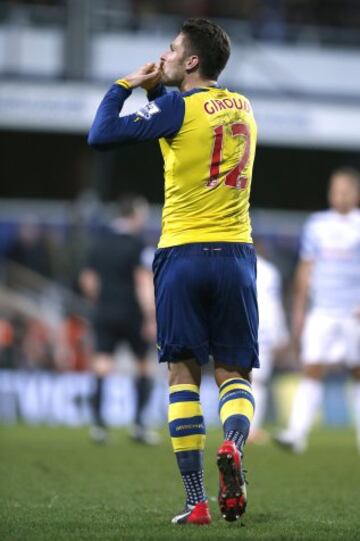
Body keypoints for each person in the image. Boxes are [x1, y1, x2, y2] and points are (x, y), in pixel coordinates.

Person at [88, 18, 258, 525]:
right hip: (236, 256)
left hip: (182, 254)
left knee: (183, 376)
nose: (161, 57)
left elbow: (101, 134)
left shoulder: (175, 106)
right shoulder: (245, 107)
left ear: (191, 61)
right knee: (234, 375)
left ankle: (196, 501)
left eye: (170, 50)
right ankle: (233, 444)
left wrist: (129, 84)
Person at [275, 168, 360, 453]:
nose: (339, 195)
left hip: (353, 311)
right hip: (322, 309)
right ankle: (296, 433)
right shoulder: (317, 224)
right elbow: (306, 267)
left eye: (345, 190)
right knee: (311, 367)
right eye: (335, 190)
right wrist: (299, 308)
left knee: (357, 372)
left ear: (356, 193)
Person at [79, 194, 158, 445]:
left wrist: (101, 302)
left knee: (102, 364)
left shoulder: (99, 243)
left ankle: (99, 427)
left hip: (104, 311)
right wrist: (150, 317)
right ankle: (139, 425)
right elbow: (143, 282)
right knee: (143, 365)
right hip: (132, 313)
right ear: (135, 214)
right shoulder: (138, 245)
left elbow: (88, 281)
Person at [249, 245, 289, 443]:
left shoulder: (232, 265)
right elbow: (273, 304)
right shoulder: (270, 271)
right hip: (262, 329)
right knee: (258, 382)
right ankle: (251, 429)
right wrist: (280, 334)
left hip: (236, 328)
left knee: (236, 377)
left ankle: (237, 426)